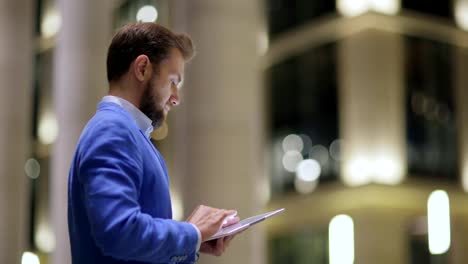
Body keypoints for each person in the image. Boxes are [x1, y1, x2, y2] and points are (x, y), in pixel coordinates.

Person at [68, 22, 239, 264]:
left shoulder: (127, 133)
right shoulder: (112, 130)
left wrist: (193, 241)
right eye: (172, 81)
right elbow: (119, 231)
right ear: (142, 68)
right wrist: (192, 232)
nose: (176, 98)